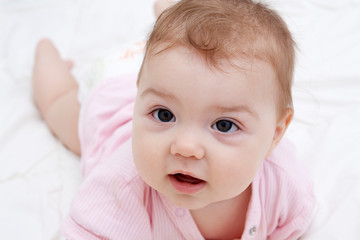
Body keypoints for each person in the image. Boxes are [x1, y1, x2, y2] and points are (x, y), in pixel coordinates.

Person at [32, 0, 315, 239]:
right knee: (60, 107)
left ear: (275, 135)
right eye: (164, 116)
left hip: (174, 74)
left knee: (193, 44)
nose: (185, 147)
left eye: (224, 125)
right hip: (116, 93)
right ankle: (45, 52)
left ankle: (172, 14)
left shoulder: (284, 186)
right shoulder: (119, 185)